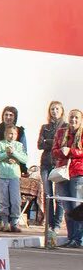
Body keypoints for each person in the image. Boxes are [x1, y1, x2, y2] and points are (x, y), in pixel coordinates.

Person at [52, 109, 83, 248]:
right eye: (71, 117)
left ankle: (78, 239)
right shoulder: (61, 132)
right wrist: (61, 151)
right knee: (67, 208)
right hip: (62, 174)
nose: (73, 120)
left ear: (81, 119)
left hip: (78, 173)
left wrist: (71, 151)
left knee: (77, 208)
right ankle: (71, 238)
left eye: (76, 118)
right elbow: (54, 151)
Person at [0, 125, 28, 233]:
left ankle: (15, 222)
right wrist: (5, 154)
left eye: (14, 134)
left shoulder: (19, 145)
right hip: (2, 176)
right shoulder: (0, 144)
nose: (12, 136)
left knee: (15, 200)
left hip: (14, 176)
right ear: (5, 134)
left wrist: (14, 154)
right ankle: (5, 222)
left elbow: (25, 159)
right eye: (10, 133)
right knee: (3, 200)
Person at [37, 101, 66, 235]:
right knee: (48, 195)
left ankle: (57, 224)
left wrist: (49, 142)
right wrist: (53, 142)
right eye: (52, 109)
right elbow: (40, 145)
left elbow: (63, 144)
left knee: (59, 195)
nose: (54, 111)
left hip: (59, 163)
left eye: (57, 109)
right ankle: (49, 224)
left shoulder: (65, 127)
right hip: (46, 163)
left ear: (61, 111)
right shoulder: (45, 127)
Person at [0, 106, 27, 176]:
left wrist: (15, 159)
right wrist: (5, 158)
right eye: (6, 115)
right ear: (3, 116)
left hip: (15, 166)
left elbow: (24, 152)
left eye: (11, 115)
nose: (8, 117)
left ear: (15, 117)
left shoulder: (20, 131)